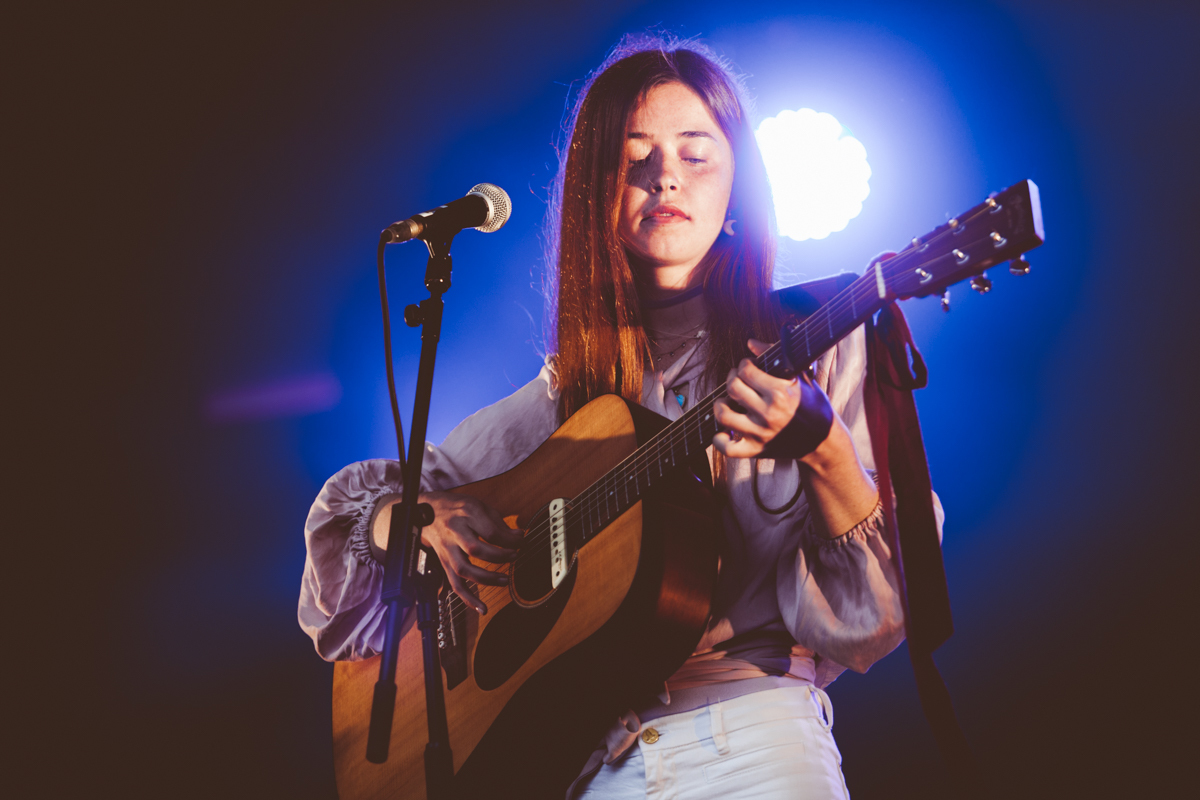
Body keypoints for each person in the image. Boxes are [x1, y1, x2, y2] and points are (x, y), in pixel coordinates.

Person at [301, 34, 936, 799]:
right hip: (589, 768)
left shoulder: (815, 340)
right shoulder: (549, 407)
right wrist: (413, 517)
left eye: (696, 154)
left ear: (738, 191)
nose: (664, 175)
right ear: (593, 196)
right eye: (633, 158)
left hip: (756, 740)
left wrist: (824, 447)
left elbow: (881, 620)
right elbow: (346, 556)